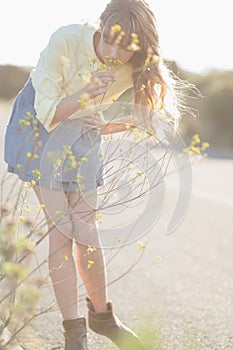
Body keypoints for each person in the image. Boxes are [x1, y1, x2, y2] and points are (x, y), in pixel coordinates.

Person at [4, 0, 181, 349]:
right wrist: (86, 92)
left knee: (87, 231)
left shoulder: (137, 68)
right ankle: (74, 334)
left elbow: (152, 121)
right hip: (41, 123)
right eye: (108, 40)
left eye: (125, 47)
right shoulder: (67, 40)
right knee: (62, 231)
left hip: (82, 129)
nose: (114, 53)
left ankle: (103, 318)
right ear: (100, 25)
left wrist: (107, 124)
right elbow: (47, 112)